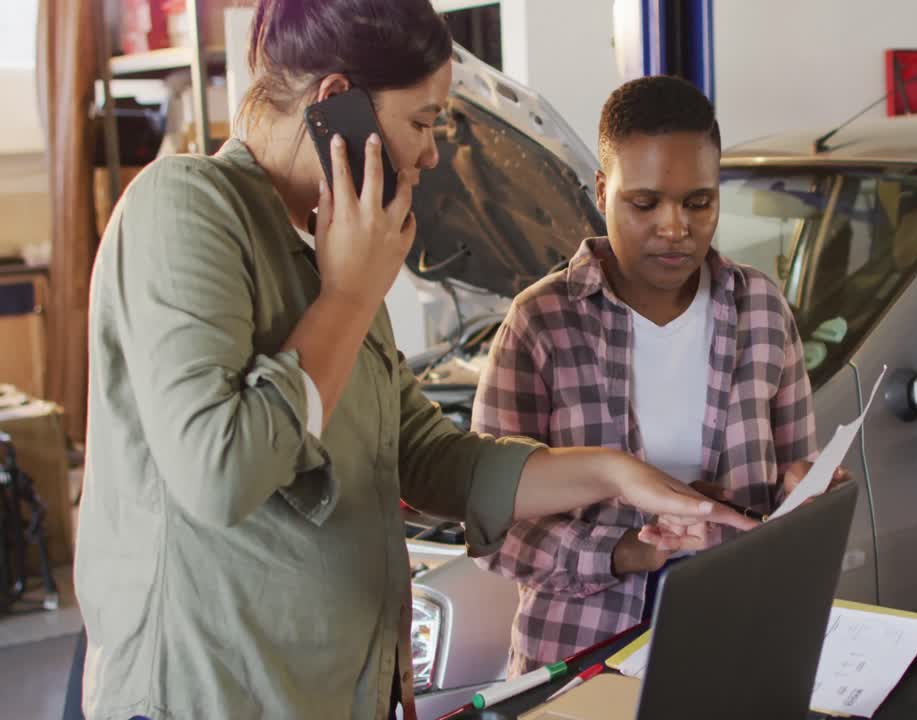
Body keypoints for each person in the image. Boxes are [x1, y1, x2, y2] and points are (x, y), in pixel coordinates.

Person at [73, 3, 752, 719]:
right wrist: (347, 295)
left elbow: (428, 456)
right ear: (337, 106)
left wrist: (619, 476)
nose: (431, 155)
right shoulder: (186, 207)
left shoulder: (323, 252)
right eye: (424, 122)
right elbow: (220, 471)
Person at [473, 76, 843, 676]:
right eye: (644, 204)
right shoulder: (540, 325)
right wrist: (627, 552)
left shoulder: (761, 311)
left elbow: (793, 478)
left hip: (737, 642)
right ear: (601, 191)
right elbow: (492, 524)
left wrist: (811, 496)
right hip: (581, 656)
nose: (675, 227)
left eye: (699, 202)